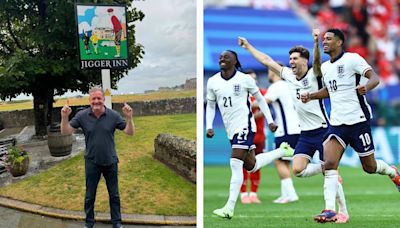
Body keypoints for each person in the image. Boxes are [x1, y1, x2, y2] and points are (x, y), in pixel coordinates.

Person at [239, 28, 349, 223]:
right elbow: (266, 60)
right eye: (290, 59)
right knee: (298, 170)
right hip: (305, 133)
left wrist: (315, 42)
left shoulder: (315, 74)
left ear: (304, 61)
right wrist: (248, 47)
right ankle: (325, 166)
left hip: (323, 130)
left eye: (295, 58)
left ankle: (341, 211)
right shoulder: (288, 76)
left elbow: (317, 61)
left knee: (331, 174)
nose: (291, 62)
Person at [300, 28, 400, 223]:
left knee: (369, 167)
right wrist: (311, 95)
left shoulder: (353, 59)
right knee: (329, 164)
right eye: (324, 39)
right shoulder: (327, 67)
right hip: (337, 123)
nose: (325, 42)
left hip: (358, 122)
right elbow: (330, 91)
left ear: (339, 42)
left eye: (329, 39)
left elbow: (375, 78)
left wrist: (366, 87)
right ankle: (329, 209)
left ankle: (392, 172)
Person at [206, 50, 294, 219]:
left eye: (226, 57)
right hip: (231, 129)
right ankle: (281, 151)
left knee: (234, 163)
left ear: (235, 61)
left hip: (245, 126)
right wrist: (209, 125)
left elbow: (260, 99)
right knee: (251, 165)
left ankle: (229, 207)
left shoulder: (244, 79)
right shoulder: (212, 81)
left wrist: (270, 121)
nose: (222, 58)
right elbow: (210, 105)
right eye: (220, 57)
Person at [61, 86, 134, 228]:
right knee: (90, 196)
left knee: (114, 195)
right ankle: (89, 223)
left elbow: (129, 132)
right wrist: (64, 117)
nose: (96, 101)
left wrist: (129, 118)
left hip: (111, 161)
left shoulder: (113, 115)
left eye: (99, 98)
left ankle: (117, 222)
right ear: (89, 100)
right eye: (93, 98)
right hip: (91, 161)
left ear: (104, 100)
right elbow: (65, 131)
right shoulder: (82, 115)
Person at [264, 65, 300, 204]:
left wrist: (248, 104)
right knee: (285, 161)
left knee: (278, 160)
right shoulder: (290, 85)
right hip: (295, 128)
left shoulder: (277, 85)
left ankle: (291, 194)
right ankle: (285, 194)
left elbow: (264, 102)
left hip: (286, 130)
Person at [240, 70, 267, 204]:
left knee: (257, 165)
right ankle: (244, 194)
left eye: (255, 78)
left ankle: (254, 193)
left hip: (259, 136)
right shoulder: (240, 95)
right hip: (244, 136)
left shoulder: (262, 93)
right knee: (243, 165)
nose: (254, 81)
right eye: (251, 79)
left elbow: (266, 108)